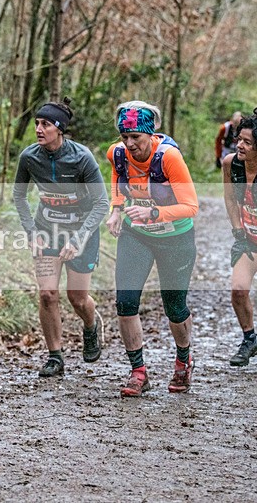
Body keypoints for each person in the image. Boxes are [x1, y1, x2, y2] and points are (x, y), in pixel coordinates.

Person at [106, 101, 198, 397]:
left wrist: (155, 213)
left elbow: (191, 206)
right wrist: (116, 209)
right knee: (126, 301)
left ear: (150, 134)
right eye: (125, 137)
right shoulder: (117, 153)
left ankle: (183, 362)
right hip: (138, 235)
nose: (130, 144)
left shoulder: (168, 158)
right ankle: (138, 372)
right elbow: (118, 177)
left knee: (174, 306)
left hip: (175, 238)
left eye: (136, 137)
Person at [12, 99, 109, 377]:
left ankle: (91, 325)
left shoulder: (82, 158)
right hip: (47, 231)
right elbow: (19, 196)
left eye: (45, 124)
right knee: (47, 295)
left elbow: (101, 203)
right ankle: (55, 356)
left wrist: (78, 239)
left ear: (60, 129)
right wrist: (31, 232)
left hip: (82, 232)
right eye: (36, 124)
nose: (38, 129)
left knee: (77, 298)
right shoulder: (29, 157)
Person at [222, 111, 257, 366]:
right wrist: (237, 229)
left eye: (248, 142)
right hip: (248, 238)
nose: (240, 145)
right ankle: (249, 338)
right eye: (239, 139)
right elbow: (230, 198)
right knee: (238, 290)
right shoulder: (230, 164)